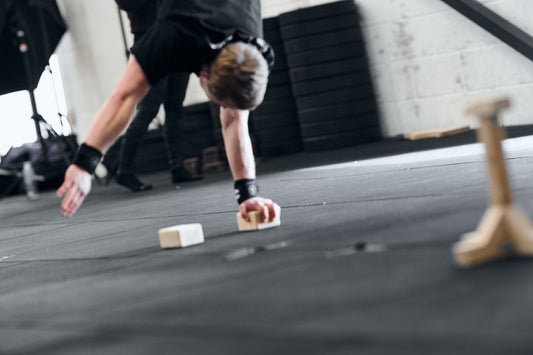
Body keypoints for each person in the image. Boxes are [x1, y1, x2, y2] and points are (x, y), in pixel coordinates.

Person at [56, 0, 280, 222]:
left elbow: (235, 119)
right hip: (183, 21)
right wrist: (84, 165)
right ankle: (125, 169)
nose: (228, 110)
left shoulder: (254, 49)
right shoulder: (173, 34)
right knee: (146, 104)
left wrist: (247, 193)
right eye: (222, 103)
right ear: (205, 75)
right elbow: (124, 97)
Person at [104, 0, 201, 192]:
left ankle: (177, 167)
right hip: (149, 39)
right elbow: (128, 5)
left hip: (177, 38)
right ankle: (124, 170)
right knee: (148, 109)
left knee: (175, 108)